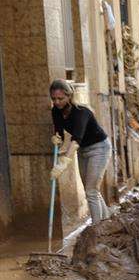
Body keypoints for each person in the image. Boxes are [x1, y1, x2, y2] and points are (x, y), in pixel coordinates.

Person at [49, 80, 112, 224]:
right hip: (83, 150)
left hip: (99, 148)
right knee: (91, 190)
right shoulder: (56, 111)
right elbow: (60, 133)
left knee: (91, 191)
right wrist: (57, 138)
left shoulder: (81, 112)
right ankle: (107, 221)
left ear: (69, 96)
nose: (57, 102)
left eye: (60, 98)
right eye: (53, 98)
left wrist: (64, 162)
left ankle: (96, 228)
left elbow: (76, 139)